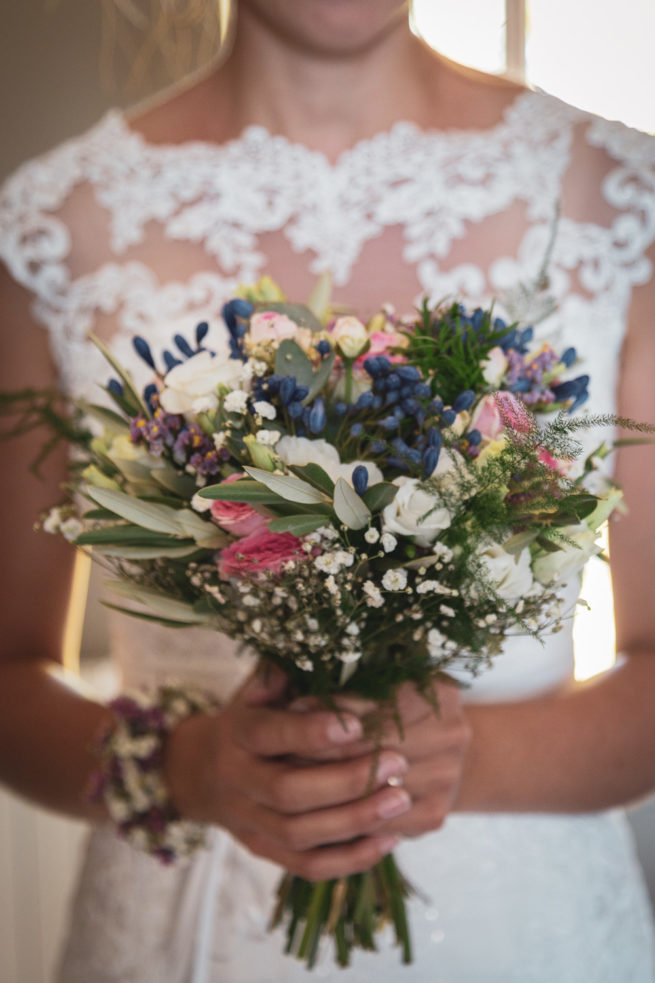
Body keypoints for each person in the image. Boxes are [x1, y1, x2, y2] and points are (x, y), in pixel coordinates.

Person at [1, 1, 655, 980]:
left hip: (522, 926)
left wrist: (466, 754)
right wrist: (185, 769)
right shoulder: (53, 226)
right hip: (182, 927)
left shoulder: (620, 193)